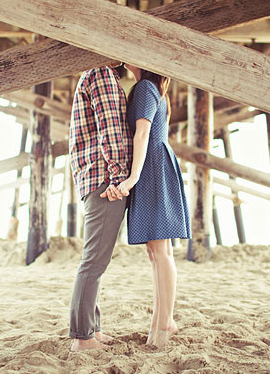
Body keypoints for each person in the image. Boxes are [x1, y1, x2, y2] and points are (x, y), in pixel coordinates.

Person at [116, 64, 190, 347]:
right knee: (156, 251)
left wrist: (133, 177)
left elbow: (142, 134)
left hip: (153, 167)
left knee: (160, 252)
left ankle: (165, 323)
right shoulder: (146, 88)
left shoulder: (147, 88)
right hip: (152, 166)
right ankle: (162, 321)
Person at [68, 64, 132, 351]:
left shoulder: (91, 74)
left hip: (94, 176)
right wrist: (119, 177)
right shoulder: (101, 73)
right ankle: (83, 338)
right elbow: (111, 128)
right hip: (105, 181)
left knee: (96, 261)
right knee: (93, 262)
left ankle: (92, 329)